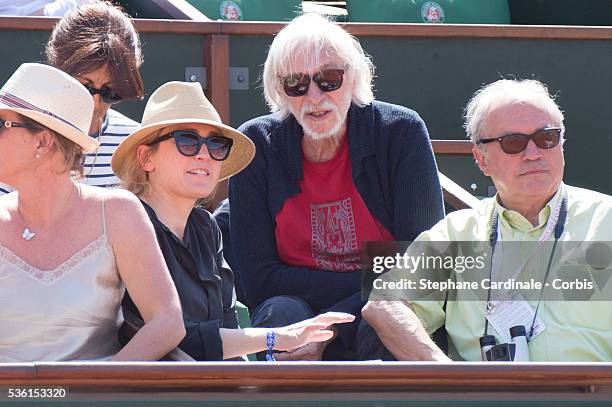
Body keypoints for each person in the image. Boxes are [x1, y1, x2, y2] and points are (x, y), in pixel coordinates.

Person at [228, 13, 444, 360]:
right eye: (296, 84)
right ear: (278, 90)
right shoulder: (258, 144)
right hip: (297, 311)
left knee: (387, 317)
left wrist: (330, 329)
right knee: (279, 314)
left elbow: (419, 267)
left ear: (354, 77)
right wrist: (368, 279)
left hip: (379, 309)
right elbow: (257, 281)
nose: (314, 96)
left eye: (329, 78)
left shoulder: (399, 132)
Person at [362, 78, 612, 362]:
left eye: (546, 138)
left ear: (561, 144)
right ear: (481, 159)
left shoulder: (606, 219)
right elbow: (385, 305)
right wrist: (446, 377)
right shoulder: (458, 233)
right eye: (513, 143)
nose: (533, 154)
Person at [111, 81, 355, 361]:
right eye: (187, 141)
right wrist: (280, 337)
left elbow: (226, 328)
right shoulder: (127, 219)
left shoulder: (206, 227)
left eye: (216, 144)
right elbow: (167, 339)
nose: (204, 154)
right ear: (146, 158)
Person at [0, 63, 185, 362]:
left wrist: (100, 385)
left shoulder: (118, 213)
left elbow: (167, 323)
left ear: (43, 141)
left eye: (0, 124)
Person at [0, 0, 143, 194]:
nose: (95, 103)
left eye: (112, 93)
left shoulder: (134, 144)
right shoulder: (15, 136)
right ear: (58, 68)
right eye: (85, 88)